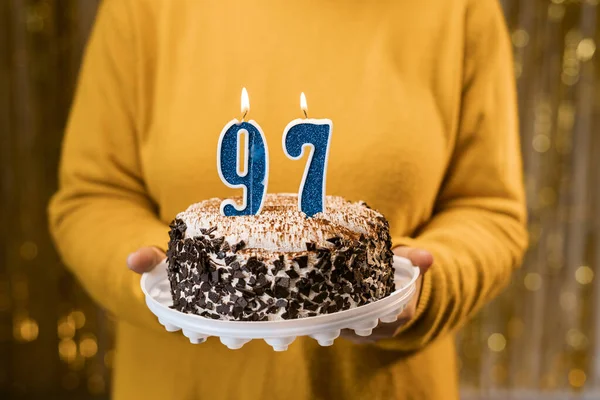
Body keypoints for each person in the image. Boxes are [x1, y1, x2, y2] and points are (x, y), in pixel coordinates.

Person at [48, 0, 528, 398]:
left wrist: (423, 287)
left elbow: (490, 210)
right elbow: (93, 195)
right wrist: (165, 275)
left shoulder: (460, 10)